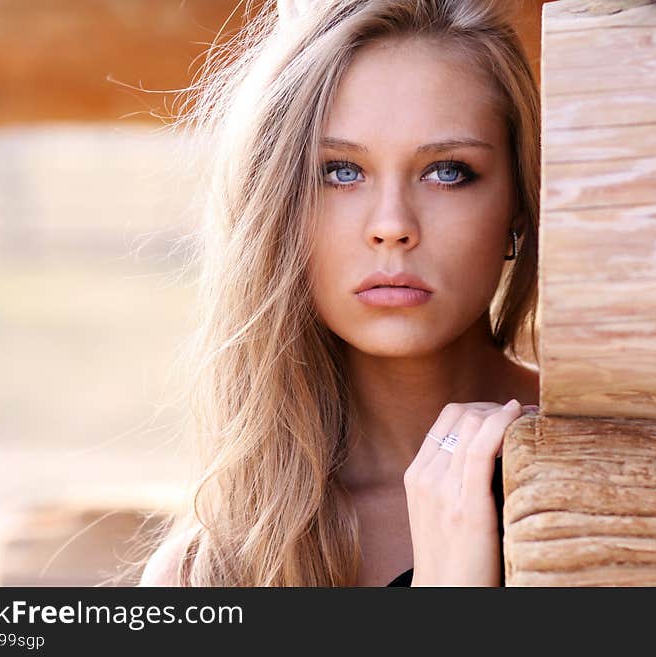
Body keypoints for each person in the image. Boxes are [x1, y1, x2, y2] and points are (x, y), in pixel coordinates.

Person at [138, 0, 540, 587]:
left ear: (518, 206)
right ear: (274, 207)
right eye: (341, 172)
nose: (392, 224)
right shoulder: (212, 573)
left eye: (448, 171)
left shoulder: (625, 468)